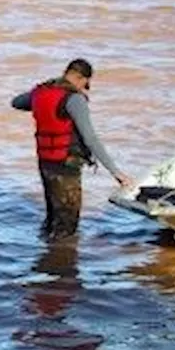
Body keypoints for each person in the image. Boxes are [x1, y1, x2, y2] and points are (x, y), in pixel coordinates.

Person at [11, 59, 135, 240]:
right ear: (80, 78)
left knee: (53, 217)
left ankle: (45, 260)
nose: (85, 89)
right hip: (66, 166)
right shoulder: (74, 99)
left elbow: (16, 102)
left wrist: (43, 92)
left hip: (46, 163)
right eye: (86, 84)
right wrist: (116, 173)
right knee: (67, 225)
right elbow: (90, 139)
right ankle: (62, 263)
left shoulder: (41, 92)